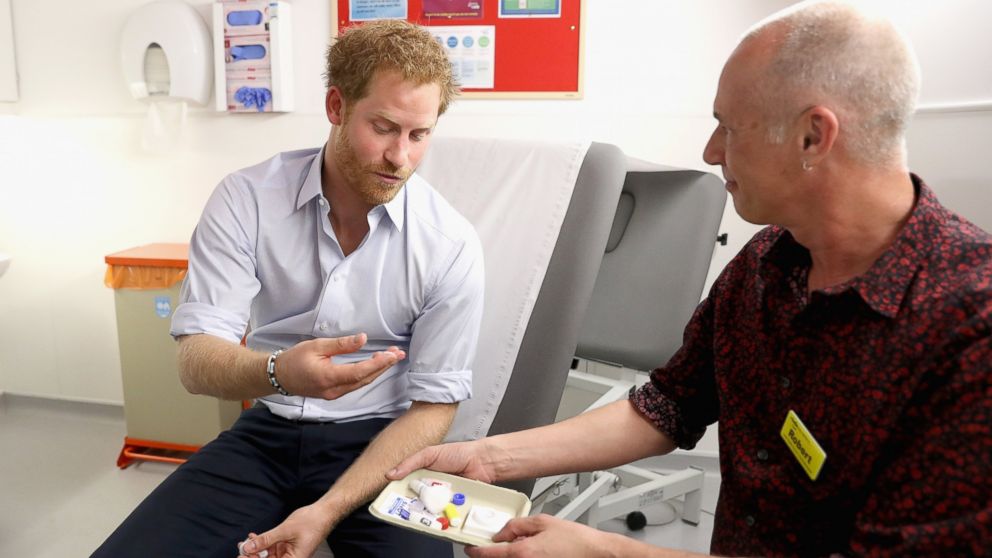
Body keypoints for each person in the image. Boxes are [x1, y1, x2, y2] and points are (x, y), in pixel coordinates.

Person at [389, 2, 992, 556]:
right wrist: (488, 456)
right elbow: (668, 406)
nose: (709, 151)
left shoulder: (968, 330)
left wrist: (602, 550)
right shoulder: (766, 265)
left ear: (814, 135)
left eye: (729, 126)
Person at [94, 20, 484, 558]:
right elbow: (196, 361)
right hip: (268, 433)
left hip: (383, 449)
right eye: (385, 127)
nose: (401, 157)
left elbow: (434, 408)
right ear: (335, 106)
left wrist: (323, 513)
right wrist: (275, 372)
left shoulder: (450, 243)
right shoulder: (247, 200)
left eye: (419, 135)